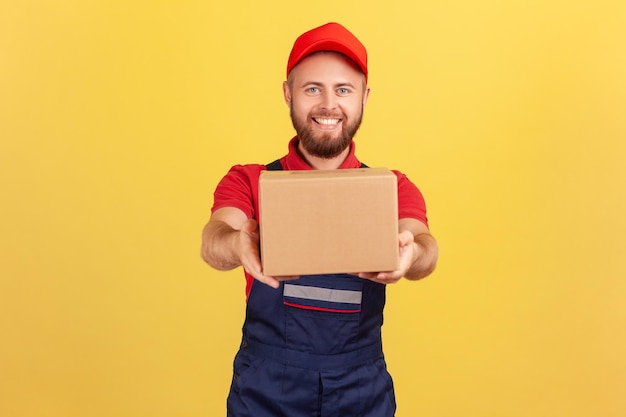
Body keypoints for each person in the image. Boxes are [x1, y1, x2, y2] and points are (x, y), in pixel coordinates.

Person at [201, 22, 438, 417]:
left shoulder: (391, 188)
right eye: (313, 89)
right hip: (265, 392)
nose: (328, 105)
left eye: (343, 90)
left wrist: (411, 255)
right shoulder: (250, 180)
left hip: (360, 392)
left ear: (364, 97)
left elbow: (425, 245)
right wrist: (236, 243)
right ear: (288, 93)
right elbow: (215, 239)